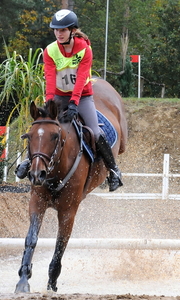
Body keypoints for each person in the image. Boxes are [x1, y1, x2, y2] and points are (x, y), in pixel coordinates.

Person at [16, 9, 123, 192]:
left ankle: (114, 171)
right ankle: (28, 162)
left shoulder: (84, 49)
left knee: (96, 133)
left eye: (63, 30)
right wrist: (50, 104)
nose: (59, 33)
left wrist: (74, 103)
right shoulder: (50, 51)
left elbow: (82, 78)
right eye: (56, 30)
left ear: (72, 31)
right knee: (42, 128)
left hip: (83, 97)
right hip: (58, 97)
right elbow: (50, 78)